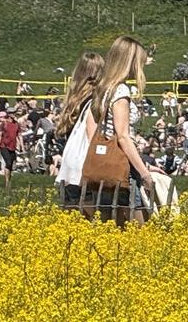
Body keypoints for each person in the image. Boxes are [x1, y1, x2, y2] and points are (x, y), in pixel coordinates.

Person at [89, 36, 154, 227]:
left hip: (105, 163)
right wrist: (144, 173)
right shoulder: (121, 92)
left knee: (110, 222)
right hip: (122, 165)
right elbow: (123, 136)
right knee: (137, 225)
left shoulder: (104, 88)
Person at [54, 52, 104, 208]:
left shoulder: (72, 100)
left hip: (69, 167)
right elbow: (92, 137)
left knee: (71, 218)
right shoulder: (94, 101)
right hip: (84, 166)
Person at [0, 111, 21, 189]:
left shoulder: (16, 124)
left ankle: (9, 180)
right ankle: (7, 182)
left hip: (12, 147)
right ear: (9, 115)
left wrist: (21, 146)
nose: (14, 115)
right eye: (13, 113)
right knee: (8, 162)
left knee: (11, 165)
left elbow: (19, 135)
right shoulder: (4, 124)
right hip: (4, 146)